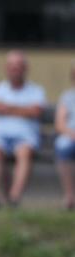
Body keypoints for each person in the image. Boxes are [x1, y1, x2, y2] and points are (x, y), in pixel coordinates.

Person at [0, 50, 46, 209]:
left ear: (25, 68)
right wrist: (23, 110)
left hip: (25, 137)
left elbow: (36, 111)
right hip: (0, 136)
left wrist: (7, 108)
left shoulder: (36, 90)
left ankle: (14, 198)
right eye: (11, 66)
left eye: (18, 66)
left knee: (24, 153)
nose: (15, 69)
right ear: (6, 68)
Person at [54, 62, 75, 211]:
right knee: (63, 147)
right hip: (71, 135)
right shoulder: (67, 97)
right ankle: (70, 196)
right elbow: (60, 124)